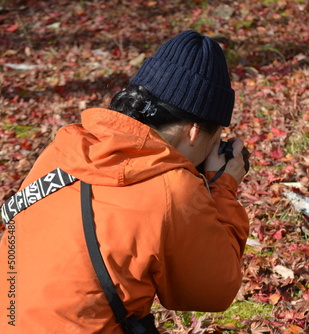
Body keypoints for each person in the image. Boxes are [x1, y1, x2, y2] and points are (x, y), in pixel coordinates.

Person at [0, 30, 250, 333]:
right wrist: (223, 188)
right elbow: (213, 290)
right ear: (195, 132)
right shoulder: (173, 189)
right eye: (216, 137)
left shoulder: (64, 148)